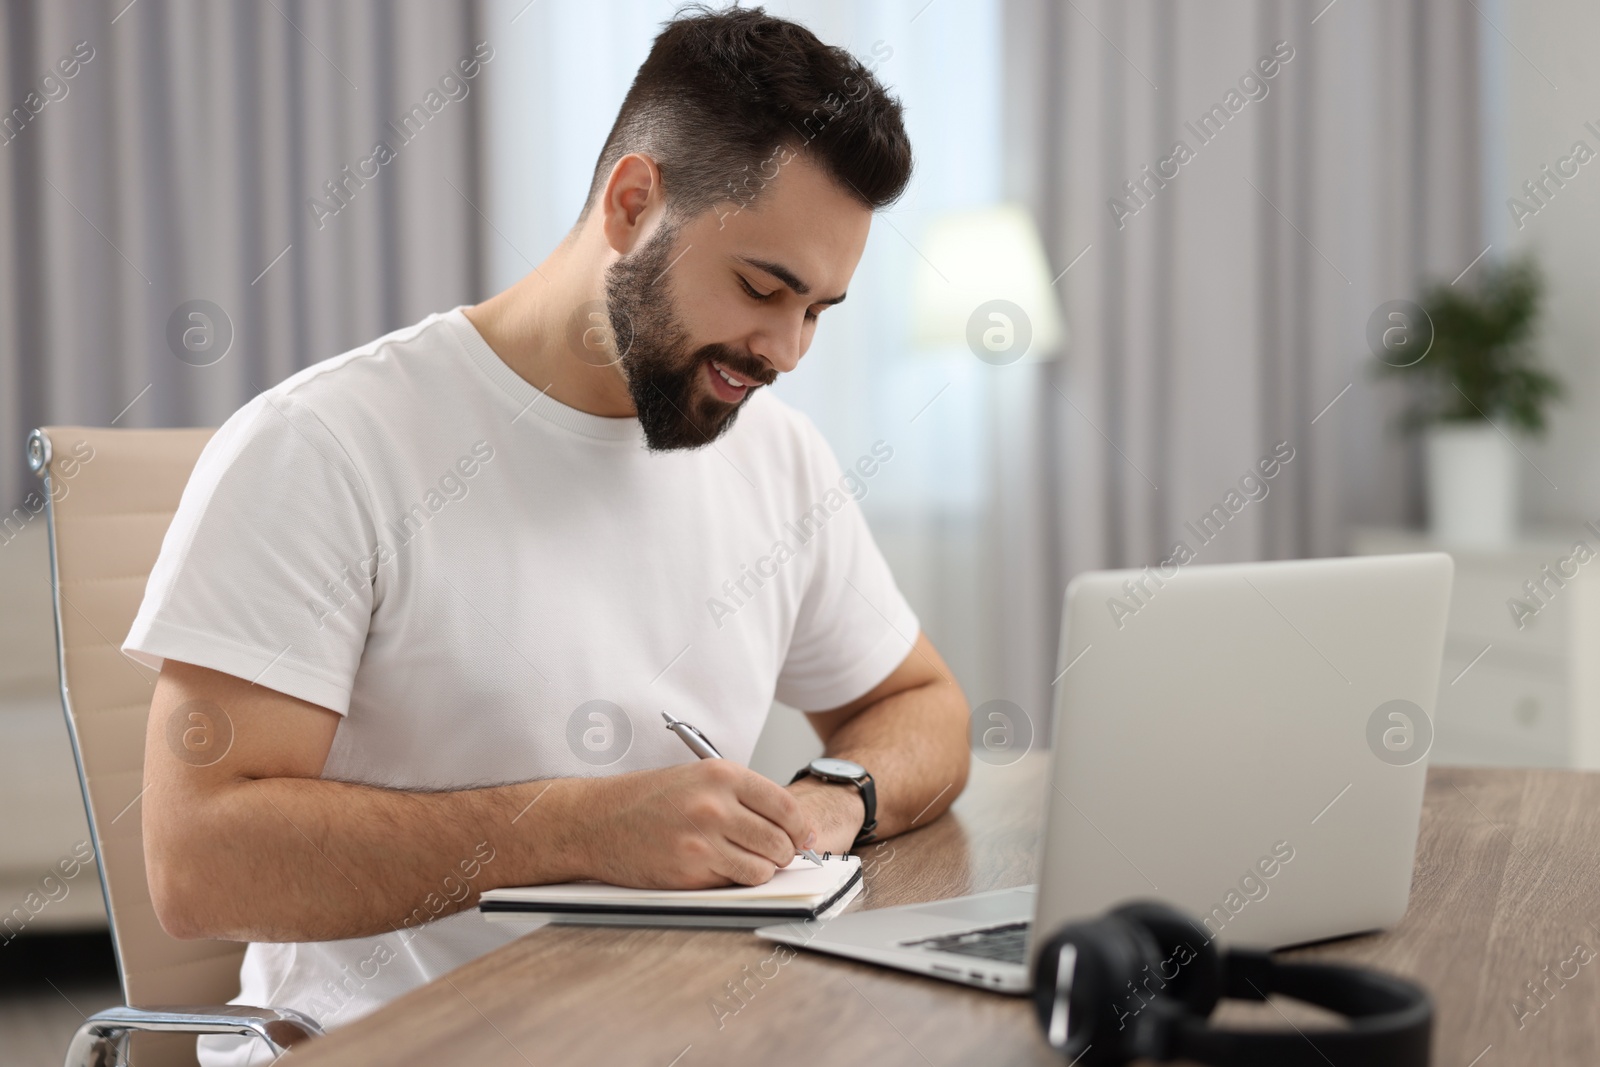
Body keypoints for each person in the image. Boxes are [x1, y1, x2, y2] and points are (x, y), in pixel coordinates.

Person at [124, 6, 970, 1061]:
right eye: (763, 288)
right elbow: (198, 862)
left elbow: (918, 701)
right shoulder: (325, 447)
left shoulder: (779, 457)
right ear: (632, 201)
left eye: (819, 311)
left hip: (680, 1028)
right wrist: (577, 829)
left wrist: (836, 796)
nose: (786, 350)